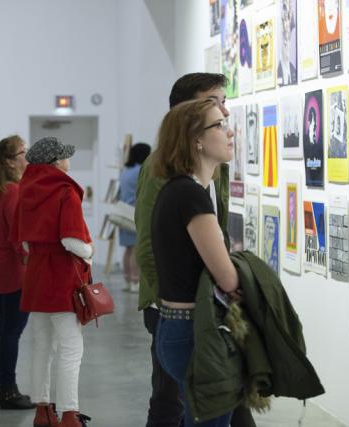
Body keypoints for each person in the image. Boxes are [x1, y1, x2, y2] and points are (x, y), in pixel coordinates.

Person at [136, 73, 254, 427]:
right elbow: (149, 247)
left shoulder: (206, 177)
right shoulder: (180, 186)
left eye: (223, 105)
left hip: (197, 314)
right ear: (193, 131)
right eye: (214, 108)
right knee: (172, 406)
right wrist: (170, 300)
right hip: (187, 316)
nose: (227, 117)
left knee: (214, 410)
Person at [13, 137, 93, 427]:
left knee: (41, 347)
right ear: (56, 162)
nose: (68, 160)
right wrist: (90, 251)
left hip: (36, 276)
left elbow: (22, 242)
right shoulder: (65, 191)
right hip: (61, 278)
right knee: (71, 348)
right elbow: (71, 240)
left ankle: (43, 411)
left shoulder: (25, 190)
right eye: (65, 156)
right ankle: (70, 415)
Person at [0, 135, 35, 410]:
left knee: (6, 328)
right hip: (12, 268)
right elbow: (19, 237)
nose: (28, 155)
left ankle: (3, 386)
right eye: (23, 152)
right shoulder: (12, 191)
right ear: (11, 162)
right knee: (12, 330)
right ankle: (8, 389)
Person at [118, 142, 151, 293]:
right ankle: (135, 281)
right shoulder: (140, 170)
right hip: (135, 214)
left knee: (128, 249)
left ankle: (127, 280)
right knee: (136, 249)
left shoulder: (126, 171)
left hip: (123, 213)